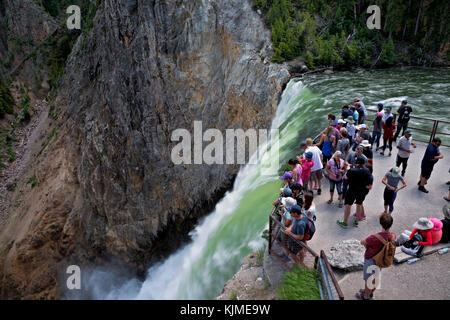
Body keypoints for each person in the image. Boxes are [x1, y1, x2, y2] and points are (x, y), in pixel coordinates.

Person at [356, 213, 395, 300]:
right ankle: (370, 292)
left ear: (381, 223)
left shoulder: (375, 237)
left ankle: (366, 296)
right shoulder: (392, 236)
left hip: (371, 260)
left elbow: (363, 242)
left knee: (368, 280)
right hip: (381, 260)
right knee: (375, 277)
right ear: (391, 224)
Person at [337, 156, 372, 228]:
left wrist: (348, 169)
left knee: (348, 206)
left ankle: (345, 222)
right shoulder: (367, 171)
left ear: (357, 163)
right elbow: (369, 182)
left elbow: (346, 177)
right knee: (359, 205)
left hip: (352, 190)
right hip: (361, 191)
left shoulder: (352, 170)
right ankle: (356, 221)